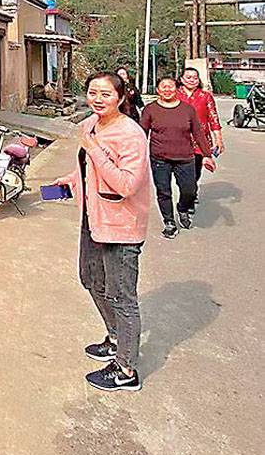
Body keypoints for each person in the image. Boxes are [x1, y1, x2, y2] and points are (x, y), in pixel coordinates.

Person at [51, 71, 151, 392]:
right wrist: (68, 182)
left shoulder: (130, 134)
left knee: (122, 296)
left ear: (121, 98)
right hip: (93, 219)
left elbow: (125, 183)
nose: (97, 99)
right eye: (93, 92)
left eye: (106, 94)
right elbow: (89, 169)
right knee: (91, 280)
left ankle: (126, 370)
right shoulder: (89, 127)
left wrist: (93, 149)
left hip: (120, 226)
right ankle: (116, 338)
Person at [140, 75, 215, 237]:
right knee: (163, 191)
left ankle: (182, 208)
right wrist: (136, 156)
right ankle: (169, 222)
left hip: (185, 157)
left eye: (170, 86)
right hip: (160, 158)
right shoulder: (150, 109)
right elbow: (141, 134)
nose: (167, 89)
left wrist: (207, 155)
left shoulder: (187, 110)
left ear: (177, 89)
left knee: (189, 189)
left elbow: (198, 133)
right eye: (163, 86)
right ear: (158, 90)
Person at [178, 66, 224, 193]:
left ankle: (191, 193)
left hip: (200, 140)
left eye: (195, 78)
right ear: (181, 79)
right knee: (181, 172)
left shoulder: (205, 96)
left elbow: (214, 119)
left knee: (196, 170)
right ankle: (187, 194)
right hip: (178, 140)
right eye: (188, 77)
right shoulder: (175, 95)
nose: (192, 80)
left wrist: (218, 140)